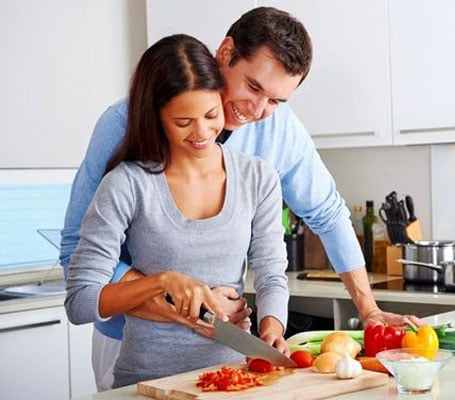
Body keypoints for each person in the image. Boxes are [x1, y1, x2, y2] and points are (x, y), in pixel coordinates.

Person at [60, 6, 423, 391]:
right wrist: (180, 301)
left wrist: (368, 310)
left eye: (276, 101)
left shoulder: (272, 139)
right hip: (130, 342)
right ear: (225, 53)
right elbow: (77, 258)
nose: (258, 110)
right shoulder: (127, 125)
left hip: (225, 355)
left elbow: (327, 217)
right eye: (252, 87)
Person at [64, 34, 289, 388]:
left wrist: (272, 327)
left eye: (212, 115)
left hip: (231, 380)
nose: (202, 133)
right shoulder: (127, 184)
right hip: (148, 384)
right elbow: (80, 302)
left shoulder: (258, 177)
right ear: (156, 117)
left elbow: (271, 273)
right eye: (183, 122)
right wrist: (161, 281)